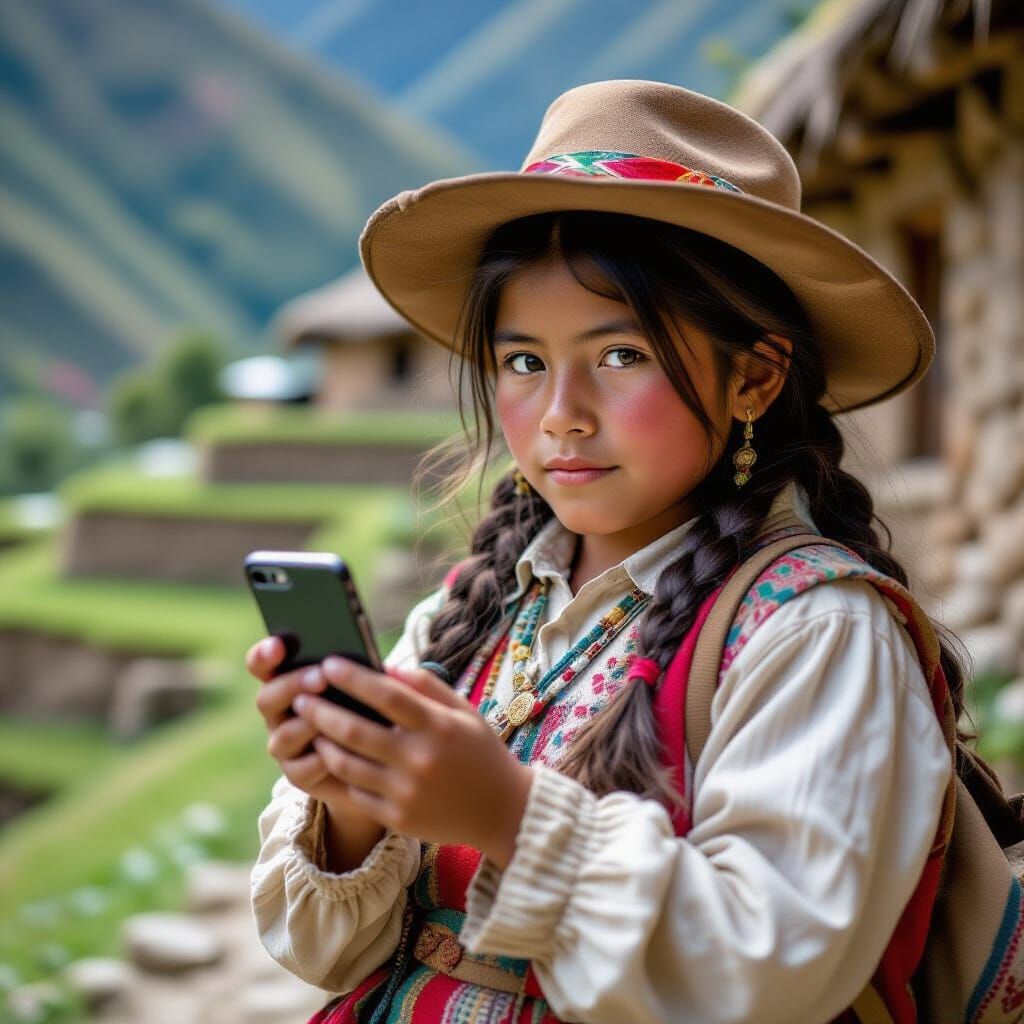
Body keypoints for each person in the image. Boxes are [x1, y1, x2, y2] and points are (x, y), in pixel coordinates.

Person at [246, 80, 967, 1024]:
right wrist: (350, 802)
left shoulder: (816, 632)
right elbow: (324, 952)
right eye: (524, 362)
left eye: (621, 355)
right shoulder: (474, 612)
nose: (560, 416)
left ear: (754, 375)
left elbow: (770, 971)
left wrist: (507, 814)